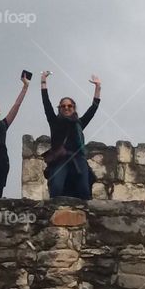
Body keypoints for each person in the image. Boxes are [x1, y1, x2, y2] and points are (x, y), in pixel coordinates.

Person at [40, 70, 101, 199]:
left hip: (78, 159)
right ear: (59, 108)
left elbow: (93, 108)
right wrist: (43, 82)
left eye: (69, 106)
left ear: (73, 108)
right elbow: (46, 103)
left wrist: (98, 87)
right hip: (60, 159)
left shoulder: (78, 123)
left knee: (84, 190)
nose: (66, 108)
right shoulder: (55, 122)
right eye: (63, 106)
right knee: (56, 188)